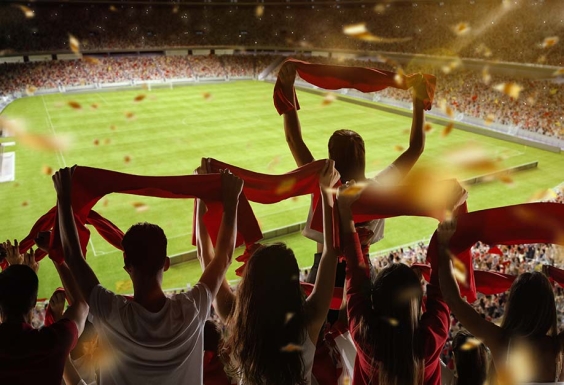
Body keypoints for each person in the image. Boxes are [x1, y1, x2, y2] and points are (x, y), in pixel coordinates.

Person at [52, 166, 243, 385]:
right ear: (167, 263)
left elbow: (73, 256)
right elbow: (223, 258)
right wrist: (231, 201)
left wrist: (64, 197)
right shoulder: (192, 309)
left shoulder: (109, 311)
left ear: (127, 266)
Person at [277, 61, 428, 282]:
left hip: (324, 270)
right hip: (362, 268)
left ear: (331, 157)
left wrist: (287, 87)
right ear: (363, 158)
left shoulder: (322, 182)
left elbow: (293, 139)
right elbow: (416, 148)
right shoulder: (378, 187)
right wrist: (418, 99)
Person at [195, 160, 340, 385]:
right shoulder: (309, 319)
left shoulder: (235, 317)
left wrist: (202, 193)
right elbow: (331, 252)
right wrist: (327, 192)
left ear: (250, 284)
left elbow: (206, 257)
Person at [338, 181, 450, 385]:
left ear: (376, 300)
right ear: (417, 301)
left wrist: (345, 210)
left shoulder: (366, 336)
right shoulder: (430, 341)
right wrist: (450, 217)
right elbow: (442, 291)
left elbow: (356, 278)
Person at [437, 219, 564, 384]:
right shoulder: (558, 348)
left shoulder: (501, 342)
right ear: (548, 307)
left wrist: (443, 246)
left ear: (514, 305)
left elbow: (453, 299)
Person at [0, 241, 88, 385]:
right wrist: (54, 255)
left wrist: (18, 272)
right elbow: (82, 306)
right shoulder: (53, 343)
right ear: (34, 302)